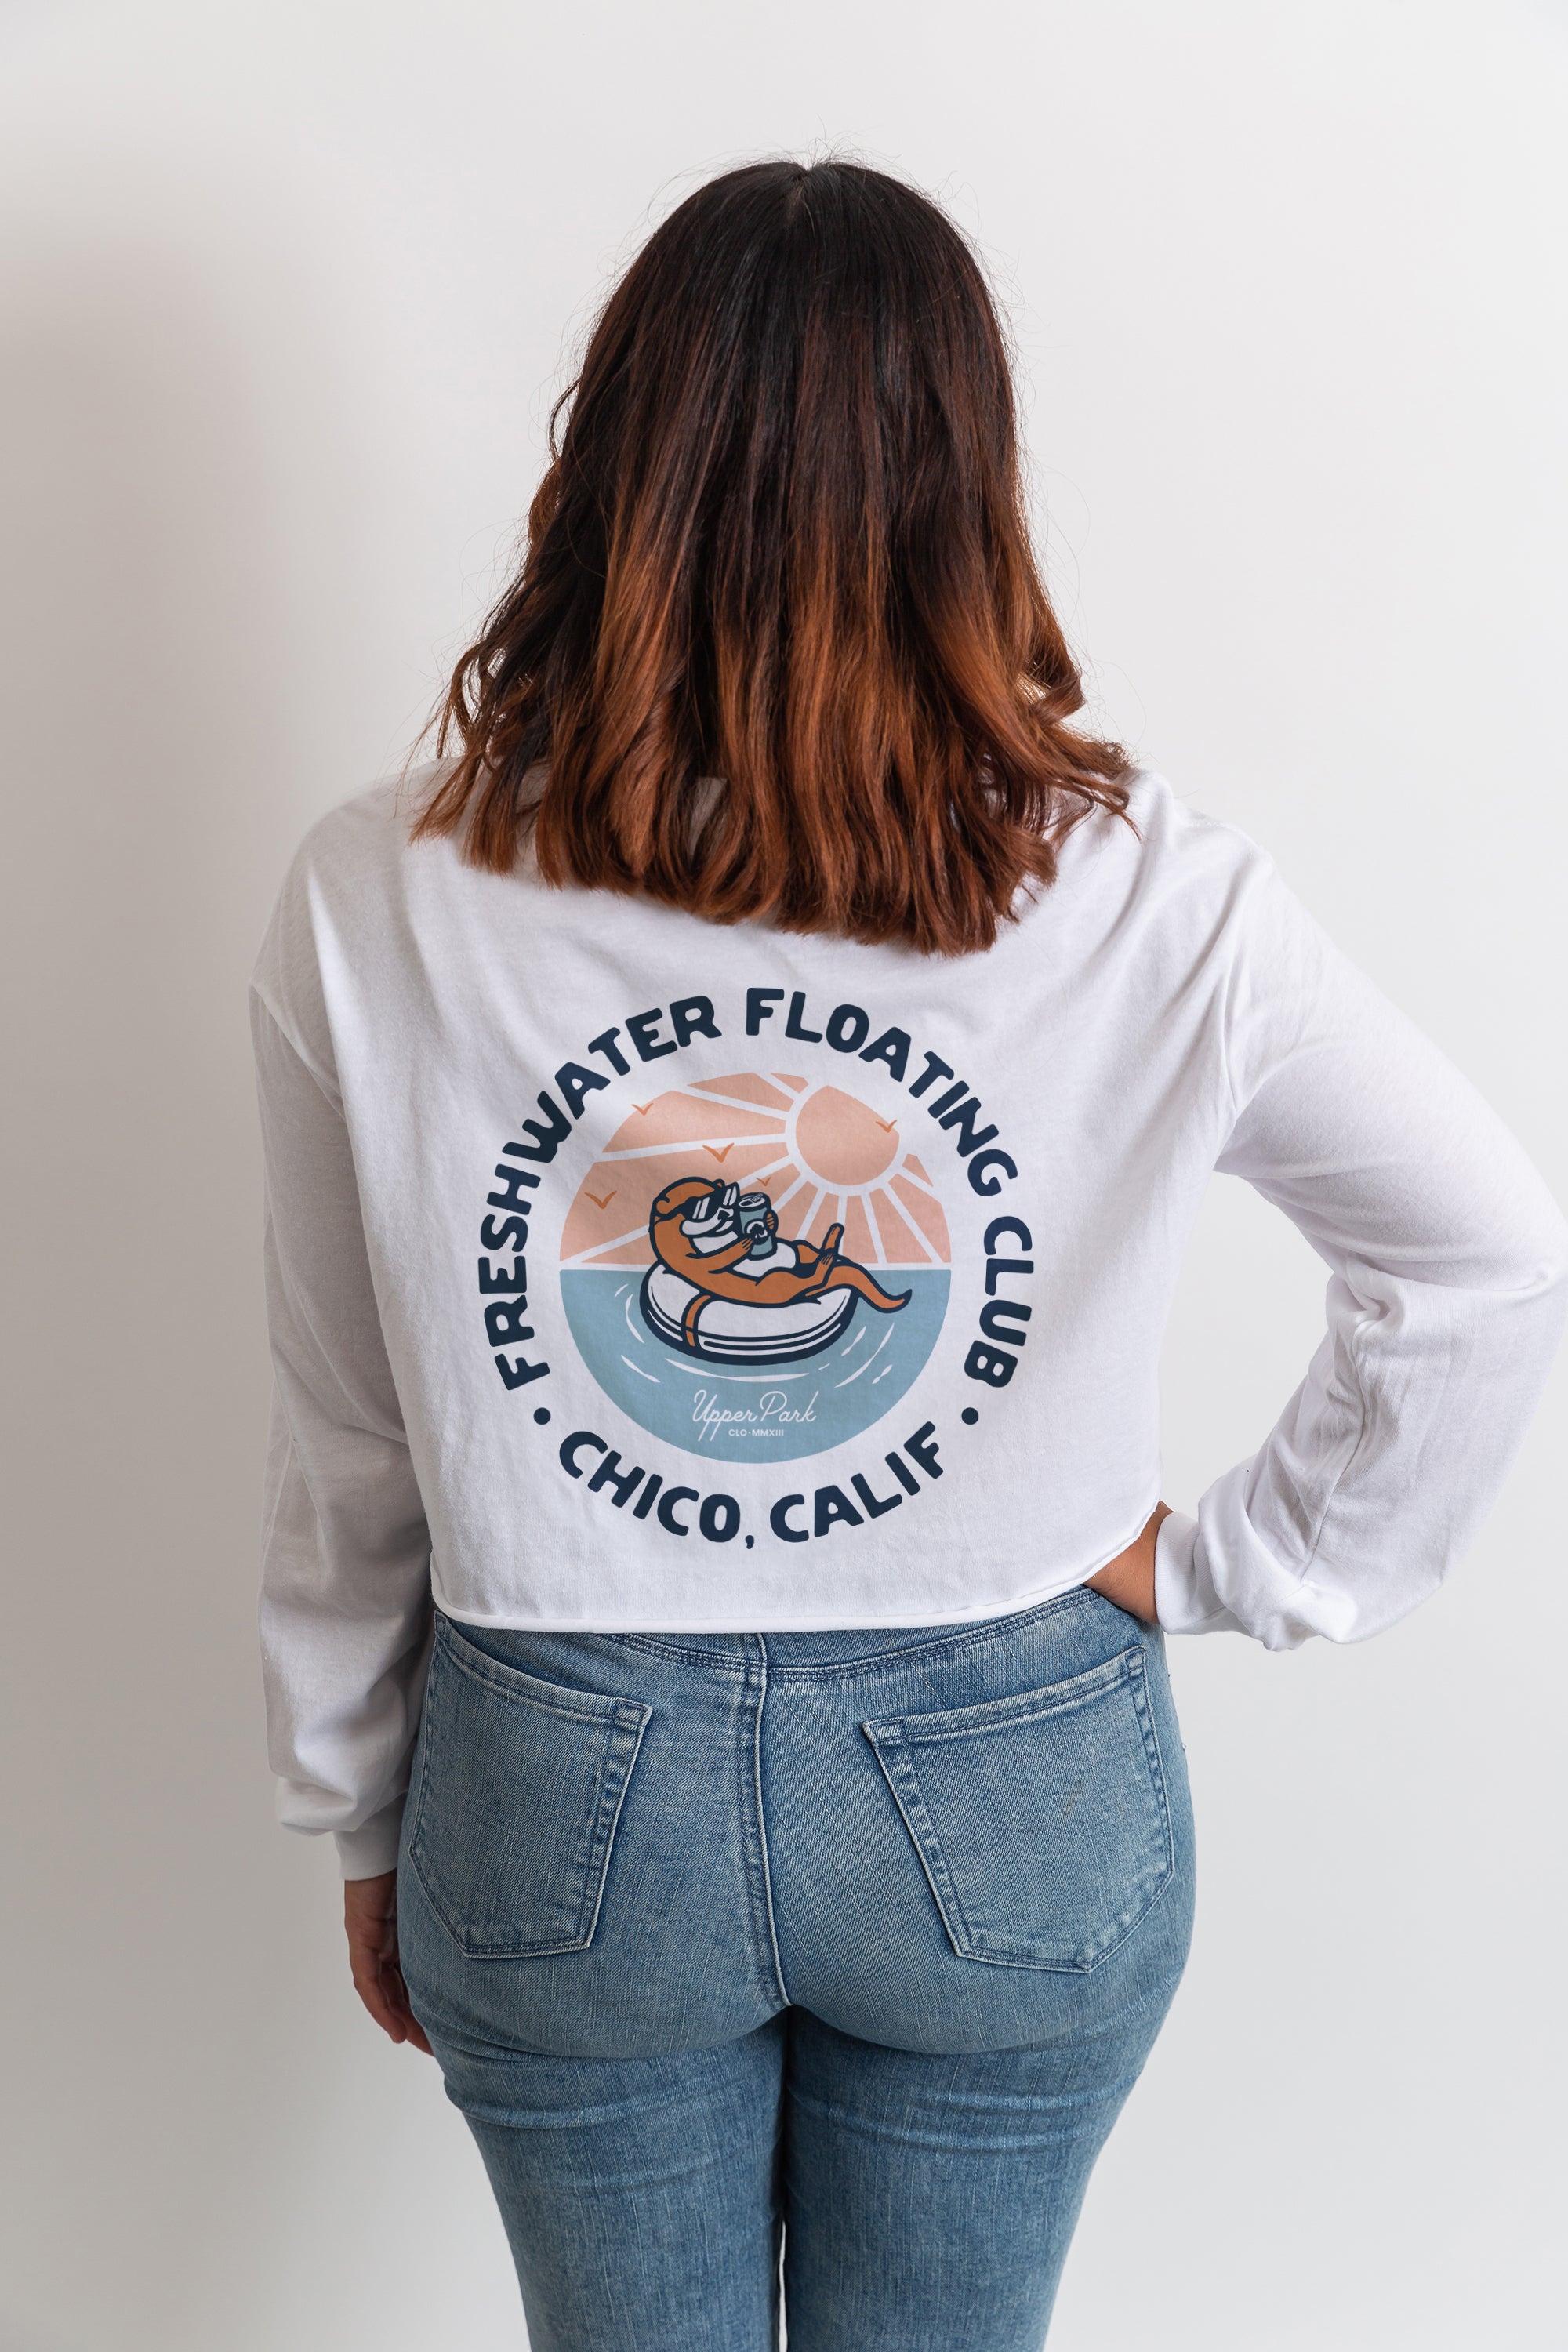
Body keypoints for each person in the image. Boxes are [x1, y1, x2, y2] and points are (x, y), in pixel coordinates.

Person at [250, 159, 1566, 2351]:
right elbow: (1488, 1255)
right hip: (1016, 1770)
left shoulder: (377, 890)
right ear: (972, 484)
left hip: (558, 1787)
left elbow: (346, 1422)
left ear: (610, 473)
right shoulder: (1158, 894)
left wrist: (355, 1793)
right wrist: (1252, 1564)